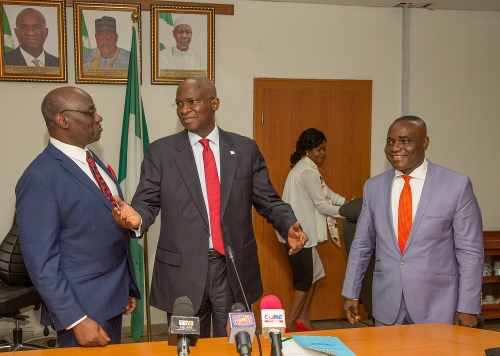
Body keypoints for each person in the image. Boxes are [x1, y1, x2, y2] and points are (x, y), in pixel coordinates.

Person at [111, 76, 308, 338]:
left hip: (232, 268)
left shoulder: (244, 149)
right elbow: (146, 201)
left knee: (236, 344)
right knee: (188, 347)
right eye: (179, 103)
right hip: (182, 273)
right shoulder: (161, 152)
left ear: (214, 103)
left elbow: (268, 200)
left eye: (192, 101)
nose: (184, 109)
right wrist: (136, 219)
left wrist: (287, 224)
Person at [15, 86, 140, 347]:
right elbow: (41, 262)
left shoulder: (91, 159)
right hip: (82, 309)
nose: (99, 118)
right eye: (90, 112)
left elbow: (106, 229)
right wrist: (75, 319)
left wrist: (126, 286)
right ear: (62, 119)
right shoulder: (40, 178)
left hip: (112, 298)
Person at [342, 116, 483, 327]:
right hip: (387, 305)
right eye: (390, 141)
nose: (395, 148)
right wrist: (351, 292)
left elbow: (470, 251)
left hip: (437, 306)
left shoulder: (457, 186)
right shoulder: (373, 188)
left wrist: (468, 307)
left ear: (425, 143)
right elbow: (362, 245)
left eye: (405, 141)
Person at [277, 128, 349, 332]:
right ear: (308, 149)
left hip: (304, 234)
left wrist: (349, 203)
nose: (323, 153)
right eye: (319, 149)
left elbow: (328, 194)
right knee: (303, 280)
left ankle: (303, 319)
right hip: (299, 236)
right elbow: (323, 205)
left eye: (325, 149)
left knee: (315, 274)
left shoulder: (309, 168)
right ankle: (290, 323)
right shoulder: (306, 171)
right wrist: (350, 213)